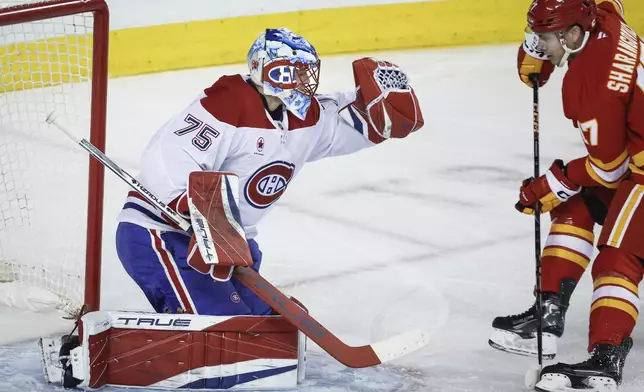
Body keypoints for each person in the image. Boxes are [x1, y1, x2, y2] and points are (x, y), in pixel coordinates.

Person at [114, 28, 424, 317]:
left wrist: (379, 108)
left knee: (269, 332)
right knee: (226, 337)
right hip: (163, 235)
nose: (307, 79)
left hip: (232, 247)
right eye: (298, 71)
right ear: (271, 71)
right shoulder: (226, 103)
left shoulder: (307, 117)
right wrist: (200, 218)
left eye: (308, 70)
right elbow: (170, 157)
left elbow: (355, 121)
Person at [489, 0, 644, 390]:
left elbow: (610, 170)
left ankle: (607, 360)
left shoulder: (588, 85)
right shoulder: (602, 17)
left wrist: (553, 182)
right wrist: (535, 53)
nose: (539, 45)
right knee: (575, 204)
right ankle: (549, 311)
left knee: (617, 255)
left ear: (574, 34)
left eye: (544, 39)